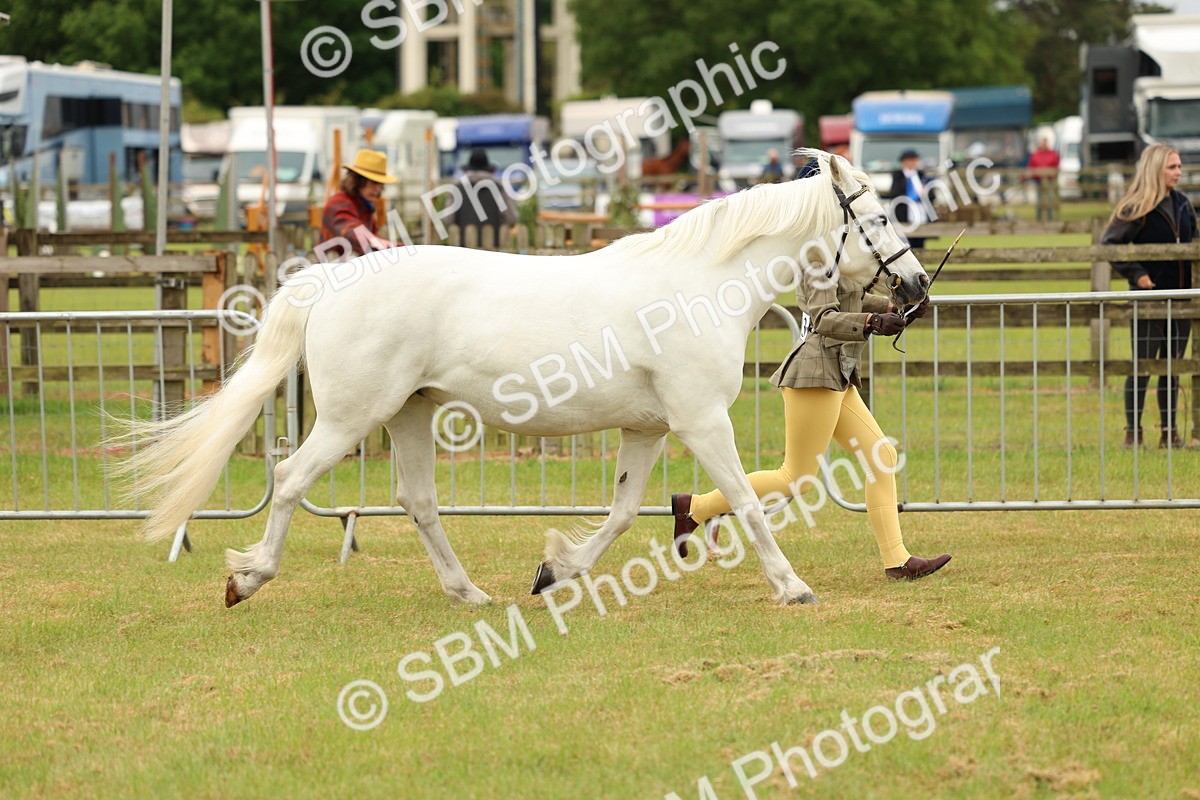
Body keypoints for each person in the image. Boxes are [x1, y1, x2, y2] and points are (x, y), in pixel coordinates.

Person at [670, 221, 952, 582]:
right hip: (815, 374)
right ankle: (695, 507)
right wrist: (871, 322)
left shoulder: (842, 255)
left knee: (881, 457)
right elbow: (824, 318)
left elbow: (853, 298)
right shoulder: (816, 259)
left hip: (837, 374)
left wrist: (898, 310)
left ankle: (898, 561)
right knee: (795, 478)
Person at [1102, 143, 1197, 449]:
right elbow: (1110, 245)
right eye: (1172, 167)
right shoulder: (1136, 208)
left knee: (1172, 368)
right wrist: (1137, 274)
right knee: (1142, 367)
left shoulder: (1184, 205)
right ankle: (1133, 433)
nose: (1178, 172)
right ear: (1156, 168)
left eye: (1179, 166)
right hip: (1148, 301)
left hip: (1181, 302)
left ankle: (1169, 433)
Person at [318, 149, 397, 261]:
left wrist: (401, 248)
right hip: (332, 268)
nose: (377, 189)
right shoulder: (338, 203)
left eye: (380, 184)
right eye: (373, 183)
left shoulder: (364, 205)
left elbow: (372, 237)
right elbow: (351, 232)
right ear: (357, 181)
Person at [450, 148, 518, 247]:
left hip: (464, 247)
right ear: (488, 169)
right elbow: (511, 218)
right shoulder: (499, 189)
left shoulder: (457, 189)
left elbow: (448, 220)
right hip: (494, 248)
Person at [885, 149, 933, 249]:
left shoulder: (921, 175)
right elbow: (895, 195)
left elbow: (932, 196)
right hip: (905, 214)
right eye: (910, 160)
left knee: (920, 244)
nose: (912, 163)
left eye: (914, 160)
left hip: (921, 214)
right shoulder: (898, 176)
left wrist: (926, 192)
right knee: (906, 244)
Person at [1026, 137, 1061, 221]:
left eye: (1045, 143)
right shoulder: (1036, 154)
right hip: (1038, 181)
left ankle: (1051, 219)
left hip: (1050, 181)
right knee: (1039, 201)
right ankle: (1039, 219)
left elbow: (1057, 166)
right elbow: (1031, 167)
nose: (1044, 145)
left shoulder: (1053, 154)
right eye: (1042, 143)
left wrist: (1052, 173)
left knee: (1051, 200)